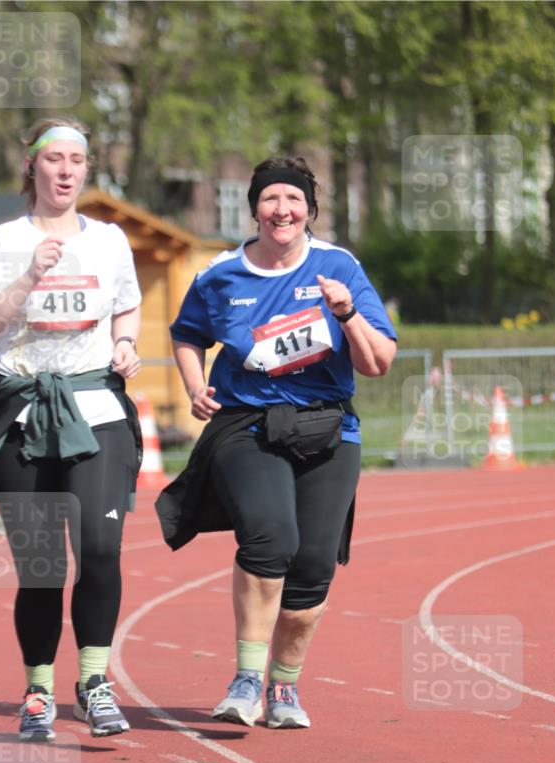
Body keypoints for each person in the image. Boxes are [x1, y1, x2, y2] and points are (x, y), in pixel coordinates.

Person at [156, 156, 397, 729]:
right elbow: (187, 334)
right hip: (247, 424)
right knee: (270, 538)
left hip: (327, 425)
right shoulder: (221, 273)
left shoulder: (339, 266)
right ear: (254, 210)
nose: (281, 210)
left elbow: (379, 362)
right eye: (270, 200)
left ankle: (284, 688)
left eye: (293, 200)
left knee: (313, 564)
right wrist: (195, 387)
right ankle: (245, 679)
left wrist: (345, 313)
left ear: (309, 210)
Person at [0, 116, 143, 742]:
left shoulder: (109, 240)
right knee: (43, 567)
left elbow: (125, 302)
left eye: (78, 159)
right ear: (34, 167)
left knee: (100, 552)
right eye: (55, 159)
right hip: (23, 414)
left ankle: (96, 683)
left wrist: (126, 342)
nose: (67, 170)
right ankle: (39, 690)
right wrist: (28, 277)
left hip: (94, 408)